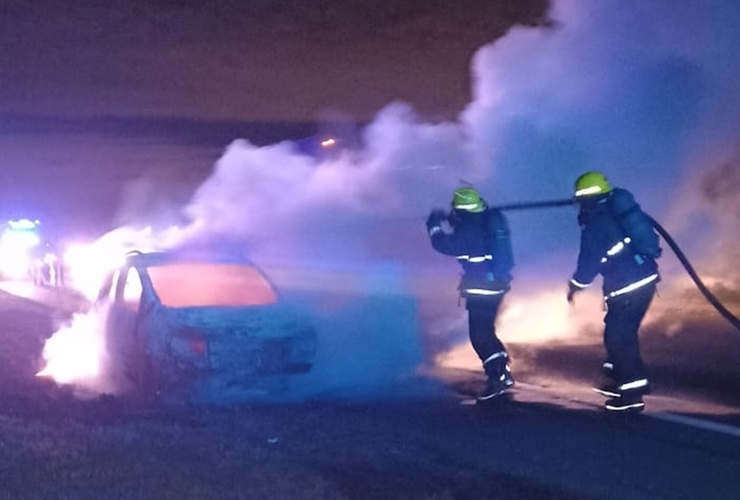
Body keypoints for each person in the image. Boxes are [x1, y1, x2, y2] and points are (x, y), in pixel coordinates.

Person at [567, 171, 661, 412]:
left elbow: (588, 260)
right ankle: (613, 379)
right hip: (640, 279)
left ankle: (632, 394)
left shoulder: (597, 223)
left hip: (629, 285)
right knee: (617, 332)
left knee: (619, 337)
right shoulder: (612, 209)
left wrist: (576, 285)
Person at [426, 187, 515, 401]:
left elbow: (444, 244)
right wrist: (454, 221)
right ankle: (502, 371)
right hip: (496, 285)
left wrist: (433, 225)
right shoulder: (483, 221)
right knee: (487, 331)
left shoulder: (468, 230)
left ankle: (497, 379)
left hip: (482, 289)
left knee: (479, 336)